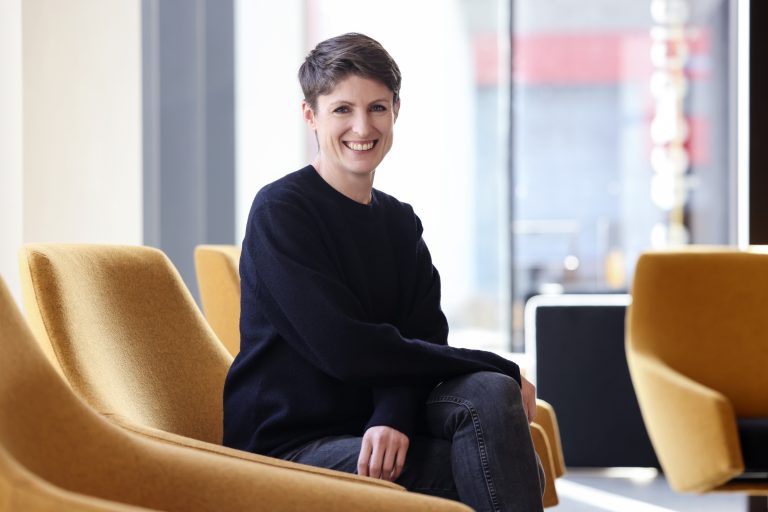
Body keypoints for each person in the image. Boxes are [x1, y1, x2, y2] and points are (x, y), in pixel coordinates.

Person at [223, 32, 544, 512]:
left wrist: (393, 414)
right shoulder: (281, 211)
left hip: (368, 428)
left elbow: (422, 339)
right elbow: (346, 349)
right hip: (289, 444)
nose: (362, 126)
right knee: (507, 467)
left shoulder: (399, 222)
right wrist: (494, 360)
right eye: (342, 109)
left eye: (376, 107)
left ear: (396, 110)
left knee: (490, 393)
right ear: (310, 115)